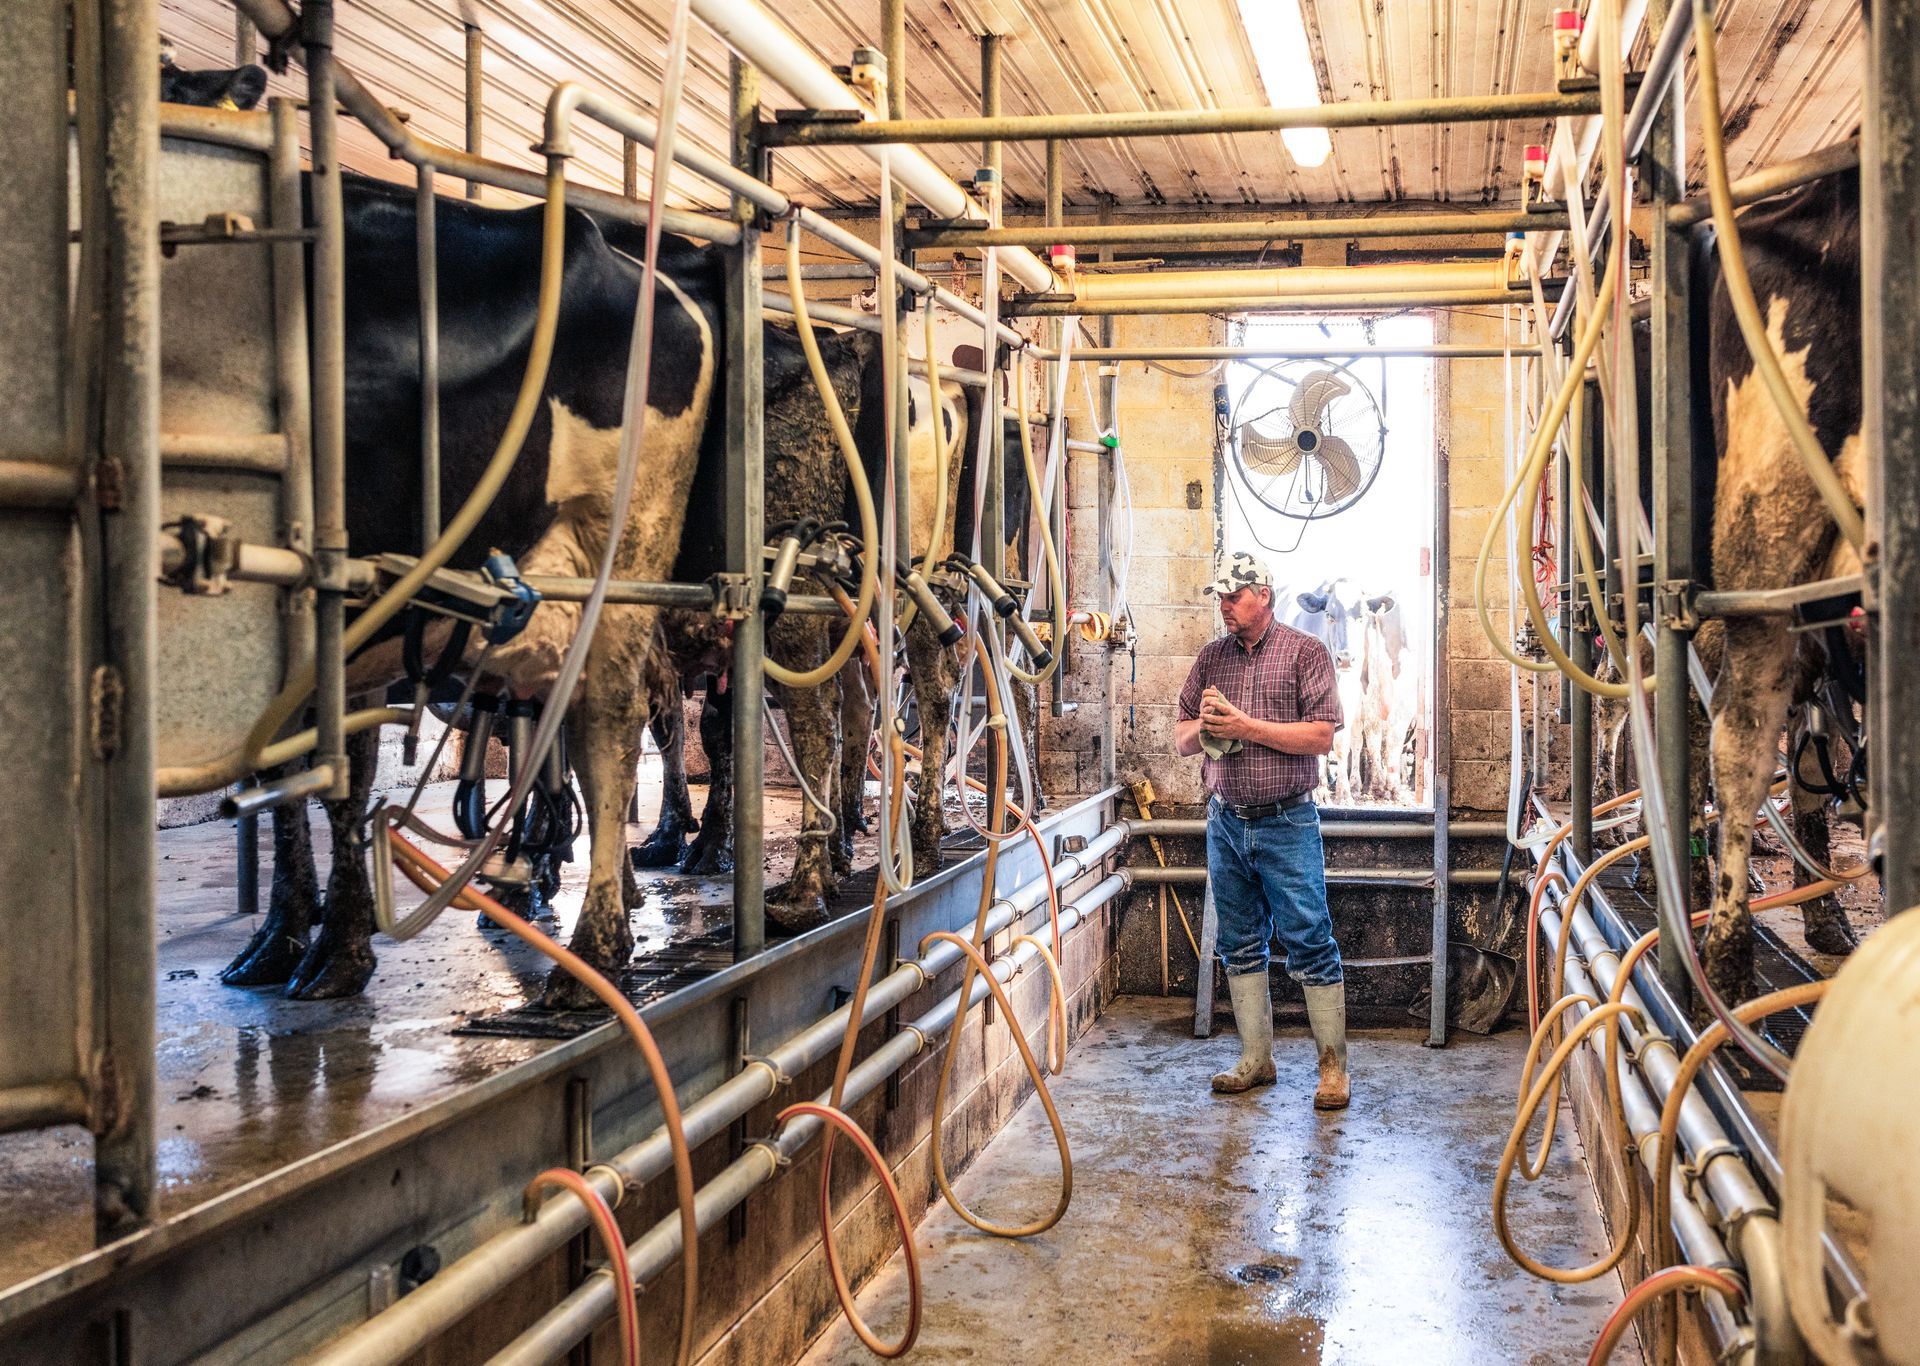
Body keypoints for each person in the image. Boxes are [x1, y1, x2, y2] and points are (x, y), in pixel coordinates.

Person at [1174, 552, 1349, 1108]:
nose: (1224, 606)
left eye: (1233, 596)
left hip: (1287, 820)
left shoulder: (1306, 653)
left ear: (1263, 595)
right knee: (1238, 942)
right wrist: (1207, 724)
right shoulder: (1210, 659)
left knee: (1309, 938)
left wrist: (1244, 727)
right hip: (1226, 821)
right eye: (1220, 598)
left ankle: (1332, 1069)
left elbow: (1321, 736)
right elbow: (1179, 738)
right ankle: (1256, 1058)